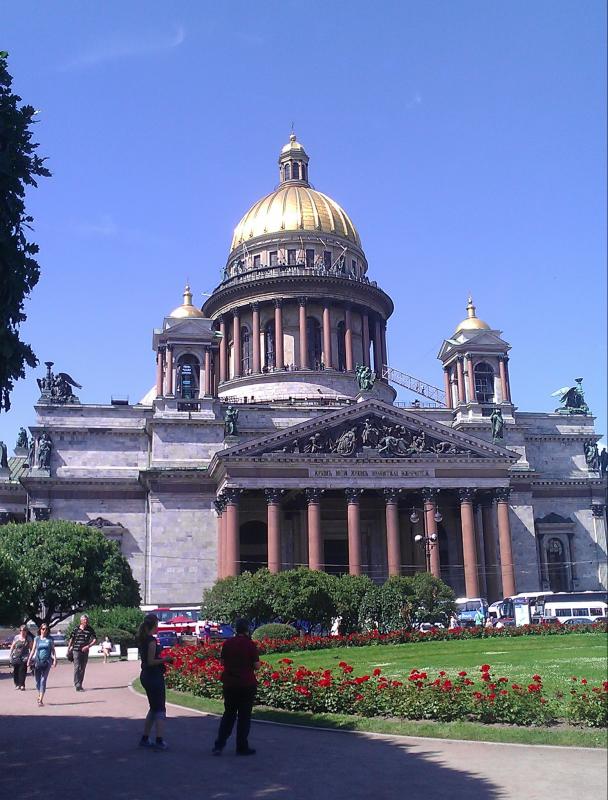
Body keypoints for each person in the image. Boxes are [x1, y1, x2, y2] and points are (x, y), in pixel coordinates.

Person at [212, 618, 260, 756]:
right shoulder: (250, 644)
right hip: (246, 683)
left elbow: (222, 662)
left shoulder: (228, 643)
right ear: (247, 630)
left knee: (228, 714)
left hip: (230, 683)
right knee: (244, 717)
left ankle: (219, 745)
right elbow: (257, 666)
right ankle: (241, 746)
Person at [138, 614, 172, 751]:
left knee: (153, 708)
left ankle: (145, 738)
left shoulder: (143, 639)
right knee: (160, 709)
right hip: (153, 676)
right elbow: (151, 661)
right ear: (154, 625)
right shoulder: (151, 641)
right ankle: (159, 740)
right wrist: (165, 659)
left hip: (146, 675)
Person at [27, 623, 57, 706]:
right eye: (43, 629)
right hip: (38, 661)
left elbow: (53, 650)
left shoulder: (50, 639)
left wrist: (55, 659)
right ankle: (40, 693)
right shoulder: (37, 639)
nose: (45, 630)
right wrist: (29, 659)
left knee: (43, 679)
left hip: (47, 661)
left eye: (46, 629)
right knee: (37, 681)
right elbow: (33, 650)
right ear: (40, 629)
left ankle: (40, 699)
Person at [67, 614, 97, 691]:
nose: (86, 621)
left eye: (87, 620)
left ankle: (80, 684)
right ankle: (77, 684)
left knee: (83, 667)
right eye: (84, 620)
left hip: (85, 651)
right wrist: (68, 649)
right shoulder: (76, 629)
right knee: (77, 667)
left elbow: (95, 640)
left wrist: (88, 646)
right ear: (81, 621)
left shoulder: (90, 629)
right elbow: (71, 639)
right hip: (76, 650)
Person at [9, 625, 32, 690]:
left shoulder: (29, 638)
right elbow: (13, 646)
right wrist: (10, 655)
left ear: (26, 631)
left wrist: (30, 657)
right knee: (16, 671)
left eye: (24, 630)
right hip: (16, 656)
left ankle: (22, 685)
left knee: (23, 671)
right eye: (21, 630)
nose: (22, 632)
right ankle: (17, 684)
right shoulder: (16, 637)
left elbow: (31, 648)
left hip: (24, 657)